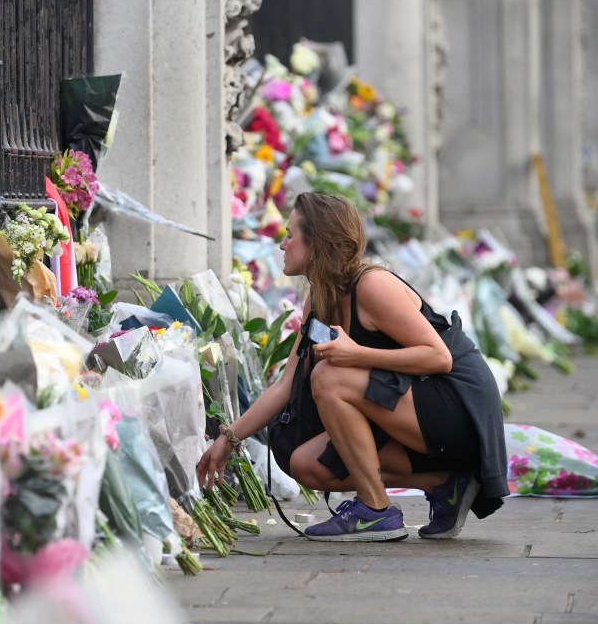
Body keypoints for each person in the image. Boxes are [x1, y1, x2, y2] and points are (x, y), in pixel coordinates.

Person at [197, 192, 508, 542]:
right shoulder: (320, 298)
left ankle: (376, 510)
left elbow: (438, 357)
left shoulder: (372, 285)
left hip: (457, 404)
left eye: (289, 235)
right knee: (305, 463)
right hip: (411, 406)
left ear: (316, 243)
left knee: (330, 377)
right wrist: (229, 438)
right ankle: (445, 483)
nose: (282, 245)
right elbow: (285, 386)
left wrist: (357, 354)